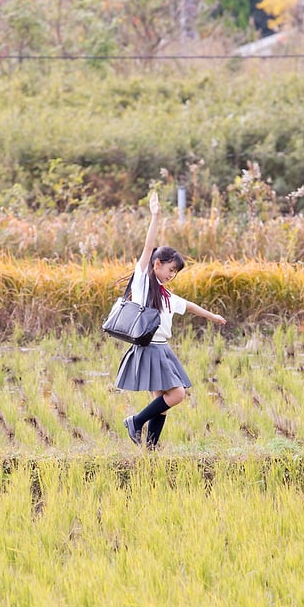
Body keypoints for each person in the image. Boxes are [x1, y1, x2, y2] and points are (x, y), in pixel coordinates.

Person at [115, 190, 226, 449]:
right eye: (170, 269)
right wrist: (155, 216)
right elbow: (147, 247)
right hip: (150, 349)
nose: (172, 275)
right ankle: (135, 421)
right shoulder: (143, 283)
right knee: (177, 394)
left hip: (162, 349)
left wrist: (212, 316)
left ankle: (151, 449)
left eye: (175, 272)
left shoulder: (165, 294)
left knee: (161, 403)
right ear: (157, 264)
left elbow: (189, 306)